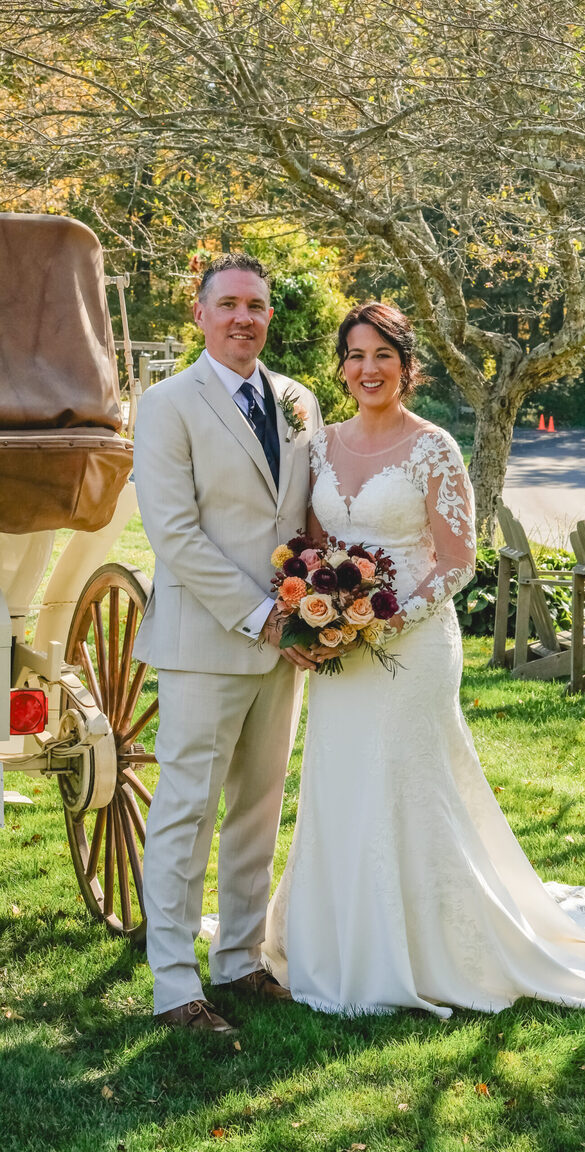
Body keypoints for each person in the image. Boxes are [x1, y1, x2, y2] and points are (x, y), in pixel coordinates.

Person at [260, 302, 585, 1016]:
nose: (368, 369)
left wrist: (388, 616)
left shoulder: (433, 447)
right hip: (343, 651)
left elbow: (458, 558)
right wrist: (322, 612)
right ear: (341, 365)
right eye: (355, 355)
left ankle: (431, 946)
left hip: (414, 645)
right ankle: (341, 937)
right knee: (342, 780)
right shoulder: (321, 446)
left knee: (407, 780)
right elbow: (317, 546)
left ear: (406, 366)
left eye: (382, 355)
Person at [133, 252, 323, 1032]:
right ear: (201, 314)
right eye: (229, 305)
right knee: (186, 812)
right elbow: (174, 533)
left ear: (269, 315)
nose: (244, 318)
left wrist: (318, 607)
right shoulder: (166, 404)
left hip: (286, 648)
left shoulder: (299, 401)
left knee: (258, 807)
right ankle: (174, 985)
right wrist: (260, 615)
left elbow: (304, 518)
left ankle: (240, 959)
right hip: (204, 640)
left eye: (256, 305)